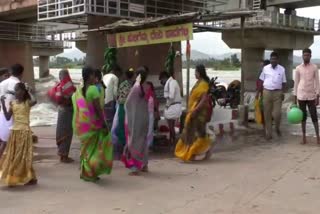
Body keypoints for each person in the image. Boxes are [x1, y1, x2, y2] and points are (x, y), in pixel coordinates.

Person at [72, 66, 113, 182]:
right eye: (93, 75)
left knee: (85, 148)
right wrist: (104, 123)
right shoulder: (93, 89)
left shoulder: (79, 89)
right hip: (94, 124)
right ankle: (90, 173)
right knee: (94, 150)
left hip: (83, 125)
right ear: (90, 76)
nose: (94, 77)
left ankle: (84, 171)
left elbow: (80, 106)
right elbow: (98, 109)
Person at [0, 82, 37, 186]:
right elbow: (7, 117)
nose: (17, 92)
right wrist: (2, 104)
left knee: (24, 156)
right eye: (15, 90)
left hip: (25, 132)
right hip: (15, 133)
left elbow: (35, 101)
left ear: (23, 92)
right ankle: (29, 177)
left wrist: (30, 92)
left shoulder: (26, 103)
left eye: (19, 90)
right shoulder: (13, 103)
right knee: (15, 156)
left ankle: (21, 177)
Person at [175, 64, 213, 161]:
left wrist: (196, 110)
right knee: (190, 133)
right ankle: (192, 153)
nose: (194, 74)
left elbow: (203, 100)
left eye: (195, 72)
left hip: (199, 113)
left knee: (199, 134)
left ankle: (199, 152)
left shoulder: (204, 84)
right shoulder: (198, 83)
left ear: (199, 73)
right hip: (192, 112)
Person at [122, 67, 150, 175]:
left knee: (133, 141)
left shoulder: (136, 88)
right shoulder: (146, 86)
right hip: (145, 117)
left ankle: (135, 168)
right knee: (143, 141)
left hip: (136, 119)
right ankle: (144, 165)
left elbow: (128, 103)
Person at [294, 48, 320, 145]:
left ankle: (318, 137)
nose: (306, 56)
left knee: (314, 116)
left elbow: (317, 82)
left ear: (310, 56)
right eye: (304, 55)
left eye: (308, 55)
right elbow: (296, 83)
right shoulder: (298, 68)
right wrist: (294, 97)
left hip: (311, 96)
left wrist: (318, 95)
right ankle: (304, 137)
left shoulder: (314, 67)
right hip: (301, 95)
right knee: (303, 117)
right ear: (302, 56)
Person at [258, 52, 287, 140]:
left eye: (275, 59)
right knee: (267, 114)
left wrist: (283, 93)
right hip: (266, 92)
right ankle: (269, 134)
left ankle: (277, 128)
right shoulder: (265, 68)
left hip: (277, 93)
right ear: (270, 59)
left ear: (278, 60)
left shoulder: (282, 69)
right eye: (272, 59)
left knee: (277, 114)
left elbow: (284, 82)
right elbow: (261, 81)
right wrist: (259, 93)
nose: (273, 60)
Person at [0, 64, 23, 158]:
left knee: (3, 142)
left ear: (11, 72)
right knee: (15, 143)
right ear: (21, 73)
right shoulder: (19, 85)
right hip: (15, 117)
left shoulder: (2, 83)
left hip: (2, 114)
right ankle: (15, 164)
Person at [111, 68, 135, 160]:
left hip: (121, 107)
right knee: (128, 128)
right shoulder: (133, 86)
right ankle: (127, 149)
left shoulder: (122, 84)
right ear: (132, 76)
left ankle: (122, 149)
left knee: (121, 127)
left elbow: (117, 96)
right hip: (128, 108)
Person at [55, 69, 76, 163]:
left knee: (60, 131)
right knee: (67, 133)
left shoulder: (58, 85)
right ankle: (64, 156)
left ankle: (61, 154)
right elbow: (72, 97)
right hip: (67, 111)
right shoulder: (68, 85)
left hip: (60, 111)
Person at [159, 71, 182, 146]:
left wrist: (167, 105)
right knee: (171, 125)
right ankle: (172, 139)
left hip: (173, 106)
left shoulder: (172, 83)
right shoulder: (173, 82)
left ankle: (173, 141)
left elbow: (171, 96)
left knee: (171, 125)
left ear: (164, 78)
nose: (161, 82)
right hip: (175, 106)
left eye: (161, 80)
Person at [255, 60, 271, 128]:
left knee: (265, 110)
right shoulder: (263, 73)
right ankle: (266, 124)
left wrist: (257, 93)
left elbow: (260, 84)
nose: (261, 67)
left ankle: (266, 125)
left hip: (266, 94)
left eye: (262, 66)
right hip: (264, 94)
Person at [145, 81, 160, 147]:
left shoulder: (152, 93)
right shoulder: (143, 93)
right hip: (144, 113)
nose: (147, 87)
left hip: (151, 113)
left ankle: (149, 144)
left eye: (148, 85)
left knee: (150, 129)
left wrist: (156, 112)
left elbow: (156, 103)